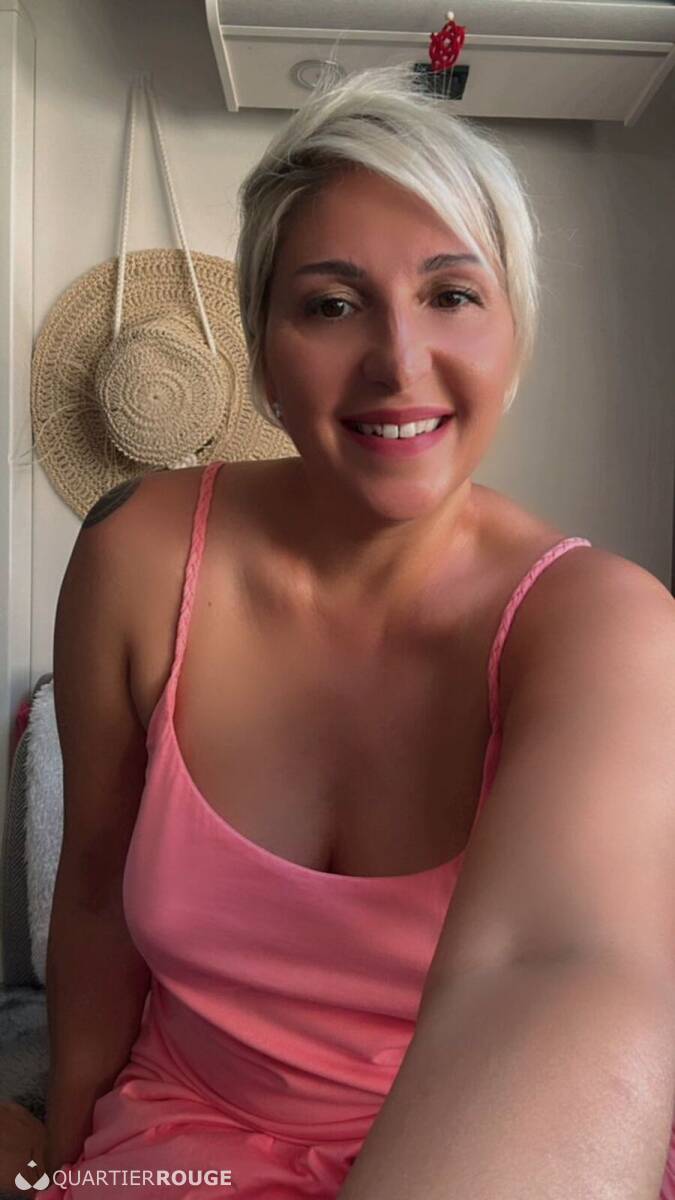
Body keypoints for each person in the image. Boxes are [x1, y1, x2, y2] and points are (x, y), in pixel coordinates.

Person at [39, 61, 673, 1200]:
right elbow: (93, 898)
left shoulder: (603, 627)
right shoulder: (136, 556)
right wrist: (64, 1158)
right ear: (264, 354)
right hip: (180, 1144)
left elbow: (563, 970)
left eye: (452, 295)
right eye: (331, 305)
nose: (399, 361)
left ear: (514, 337)